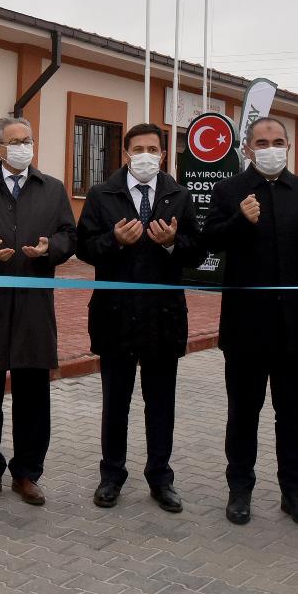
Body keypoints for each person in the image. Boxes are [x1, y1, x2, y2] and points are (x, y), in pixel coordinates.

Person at [204, 117, 298, 529]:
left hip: (297, 327)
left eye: (278, 141)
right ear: (248, 148)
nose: (271, 148)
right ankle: (240, 490)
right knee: (243, 415)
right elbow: (211, 241)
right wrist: (240, 220)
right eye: (262, 142)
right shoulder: (229, 191)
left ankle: (294, 493)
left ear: (289, 146)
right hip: (246, 326)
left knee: (294, 418)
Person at [75, 122, 202, 514]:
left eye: (153, 149)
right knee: (116, 402)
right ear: (126, 154)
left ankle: (160, 478)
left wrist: (172, 244)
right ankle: (111, 475)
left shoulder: (179, 195)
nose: (146, 155)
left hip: (163, 317)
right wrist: (114, 240)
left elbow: (197, 252)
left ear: (163, 154)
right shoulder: (102, 194)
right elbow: (84, 247)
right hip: (115, 315)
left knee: (160, 404)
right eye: (138, 149)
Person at [0, 116, 76, 506]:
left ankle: (27, 473)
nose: (24, 147)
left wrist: (50, 249)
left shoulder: (52, 188)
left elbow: (69, 235)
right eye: (16, 141)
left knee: (33, 396)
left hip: (35, 308)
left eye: (28, 140)